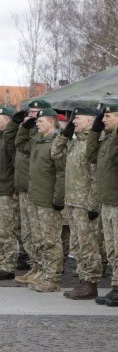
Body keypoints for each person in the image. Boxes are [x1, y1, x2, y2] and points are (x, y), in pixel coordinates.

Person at [86, 103, 118, 307]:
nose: (104, 120)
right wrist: (95, 131)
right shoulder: (107, 139)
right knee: (112, 248)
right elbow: (90, 156)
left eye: (108, 117)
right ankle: (117, 285)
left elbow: (116, 158)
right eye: (102, 117)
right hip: (106, 201)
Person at [51, 107, 103, 299]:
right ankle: (82, 280)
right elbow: (55, 153)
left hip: (85, 203)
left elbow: (96, 177)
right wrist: (64, 135)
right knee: (77, 244)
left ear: (89, 122)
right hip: (72, 201)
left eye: (78, 119)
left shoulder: (92, 143)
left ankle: (91, 283)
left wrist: (93, 205)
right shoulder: (74, 142)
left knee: (88, 244)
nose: (74, 122)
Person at [18, 107, 65, 292]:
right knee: (39, 239)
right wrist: (23, 127)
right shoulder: (38, 140)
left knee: (50, 240)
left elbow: (61, 173)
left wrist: (58, 199)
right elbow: (20, 144)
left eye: (40, 120)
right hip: (36, 197)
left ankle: (52, 278)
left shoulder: (57, 142)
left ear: (52, 122)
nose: (36, 123)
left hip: (48, 199)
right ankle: (44, 273)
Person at [12, 98, 51, 285]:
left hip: (36, 189)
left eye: (35, 112)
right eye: (31, 111)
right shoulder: (30, 132)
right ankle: (35, 266)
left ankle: (44, 268)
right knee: (28, 233)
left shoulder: (43, 135)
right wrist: (21, 126)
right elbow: (17, 144)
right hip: (24, 188)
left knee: (40, 233)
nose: (31, 115)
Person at [0, 106, 19, 280]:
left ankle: (8, 265)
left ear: (7, 120)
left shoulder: (10, 139)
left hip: (6, 190)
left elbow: (16, 165)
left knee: (6, 230)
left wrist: (15, 189)